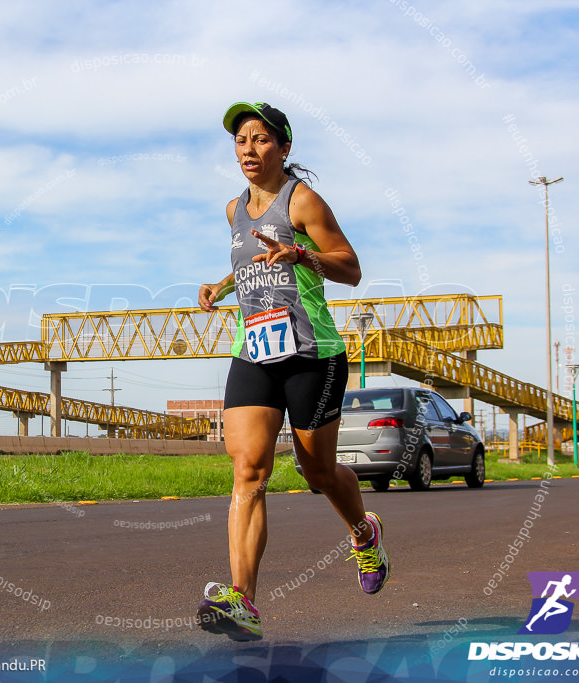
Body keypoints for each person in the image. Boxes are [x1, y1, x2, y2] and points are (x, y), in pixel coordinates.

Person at [195, 102, 389, 642]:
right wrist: (221, 286)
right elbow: (253, 262)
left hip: (312, 354)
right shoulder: (233, 209)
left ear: (283, 148)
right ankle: (243, 602)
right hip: (254, 351)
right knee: (248, 472)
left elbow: (350, 268)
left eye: (260, 140)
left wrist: (303, 255)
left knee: (318, 472)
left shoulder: (302, 201)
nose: (249, 150)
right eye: (241, 141)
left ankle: (363, 531)